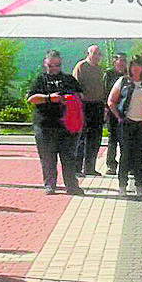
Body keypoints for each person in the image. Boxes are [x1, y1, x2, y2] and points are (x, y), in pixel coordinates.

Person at [26, 50, 84, 196]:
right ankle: (49, 185)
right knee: (47, 158)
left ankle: (72, 186)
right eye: (51, 65)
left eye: (57, 65)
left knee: (69, 158)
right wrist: (49, 98)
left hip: (67, 127)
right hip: (45, 125)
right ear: (45, 64)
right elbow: (31, 99)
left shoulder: (68, 79)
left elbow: (80, 95)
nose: (54, 68)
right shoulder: (40, 80)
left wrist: (70, 99)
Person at [107, 55, 142, 198]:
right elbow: (111, 101)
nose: (136, 68)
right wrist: (119, 117)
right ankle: (122, 186)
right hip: (126, 124)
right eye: (133, 65)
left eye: (138, 65)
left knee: (140, 156)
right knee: (125, 155)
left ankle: (139, 186)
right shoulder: (123, 81)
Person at [72, 44, 106, 176]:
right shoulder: (81, 67)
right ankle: (76, 168)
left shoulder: (99, 70)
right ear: (88, 54)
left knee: (95, 138)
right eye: (94, 53)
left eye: (98, 54)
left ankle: (90, 168)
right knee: (82, 138)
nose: (97, 56)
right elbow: (74, 86)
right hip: (83, 105)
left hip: (97, 105)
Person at [102, 52, 127, 175]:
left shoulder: (129, 75)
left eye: (124, 60)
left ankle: (126, 164)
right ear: (115, 61)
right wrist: (106, 108)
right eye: (120, 60)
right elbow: (105, 92)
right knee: (112, 139)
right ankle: (111, 165)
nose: (122, 62)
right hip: (112, 110)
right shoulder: (109, 74)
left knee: (126, 139)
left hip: (126, 111)